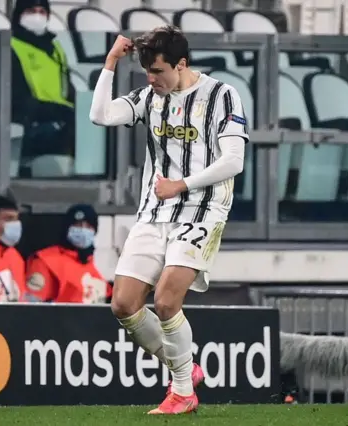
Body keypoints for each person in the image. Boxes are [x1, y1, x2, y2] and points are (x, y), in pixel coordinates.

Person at [89, 26, 247, 414]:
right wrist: (111, 61)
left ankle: (181, 393)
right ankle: (184, 368)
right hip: (153, 212)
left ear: (181, 64)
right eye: (146, 71)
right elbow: (100, 115)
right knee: (123, 304)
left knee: (165, 299)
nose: (151, 79)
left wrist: (182, 184)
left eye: (158, 71)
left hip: (203, 210)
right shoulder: (149, 97)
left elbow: (234, 160)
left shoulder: (221, 95)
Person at [0, 0, 75, 167]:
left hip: (57, 121)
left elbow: (68, 89)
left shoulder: (56, 49)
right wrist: (54, 111)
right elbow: (10, 98)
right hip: (25, 125)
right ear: (19, 15)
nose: (37, 16)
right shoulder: (6, 47)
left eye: (42, 11)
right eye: (32, 11)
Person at [24, 204, 112, 303]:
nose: (83, 230)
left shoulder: (88, 263)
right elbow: (32, 306)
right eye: (78, 225)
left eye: (88, 226)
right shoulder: (45, 260)